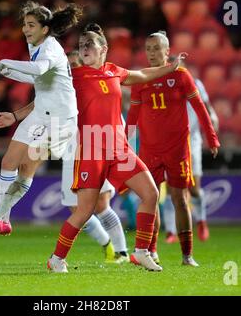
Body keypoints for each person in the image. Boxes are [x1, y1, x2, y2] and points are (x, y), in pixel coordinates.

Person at [47, 23, 186, 273]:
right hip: (91, 151)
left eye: (90, 44)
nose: (84, 48)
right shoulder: (73, 77)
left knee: (151, 194)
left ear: (104, 49)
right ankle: (56, 258)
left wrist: (170, 67)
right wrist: (16, 116)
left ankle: (141, 251)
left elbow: (142, 75)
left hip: (119, 150)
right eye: (81, 45)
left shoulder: (114, 71)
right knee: (84, 211)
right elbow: (44, 99)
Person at [0, 0, 83, 235]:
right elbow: (41, 80)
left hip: (59, 122)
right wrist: (11, 76)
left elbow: (39, 70)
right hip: (41, 113)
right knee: (11, 164)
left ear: (45, 28)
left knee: (25, 168)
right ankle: (3, 220)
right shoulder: (36, 45)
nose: (26, 29)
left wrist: (4, 63)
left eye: (31, 25)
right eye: (24, 24)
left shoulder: (50, 47)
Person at [125, 31, 220, 267]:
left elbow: (200, 108)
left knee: (180, 198)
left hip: (177, 149)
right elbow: (134, 114)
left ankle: (187, 255)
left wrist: (211, 137)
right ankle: (152, 251)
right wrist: (124, 141)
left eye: (157, 48)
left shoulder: (181, 75)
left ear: (168, 51)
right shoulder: (141, 78)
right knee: (150, 198)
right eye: (148, 49)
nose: (152, 53)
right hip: (149, 150)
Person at [63, 50, 129, 264]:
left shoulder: (97, 87)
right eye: (69, 65)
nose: (72, 69)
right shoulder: (64, 91)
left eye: (75, 64)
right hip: (72, 153)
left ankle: (122, 251)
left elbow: (116, 117)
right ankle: (107, 244)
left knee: (101, 204)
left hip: (97, 150)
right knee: (76, 209)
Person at [163, 63, 219, 243]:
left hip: (192, 140)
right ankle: (171, 231)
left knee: (194, 189)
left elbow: (207, 108)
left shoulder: (195, 83)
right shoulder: (161, 85)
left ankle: (201, 221)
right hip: (171, 141)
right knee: (173, 189)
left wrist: (212, 126)